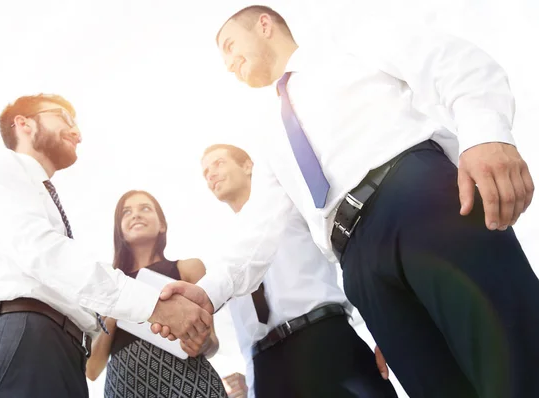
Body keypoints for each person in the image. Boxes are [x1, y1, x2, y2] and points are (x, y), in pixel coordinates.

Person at [156, 5, 539, 398]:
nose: (229, 63)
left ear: (265, 25)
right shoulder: (269, 138)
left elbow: (447, 60)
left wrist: (487, 134)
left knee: (513, 356)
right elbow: (257, 233)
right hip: (358, 265)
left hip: (418, 200)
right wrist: (208, 291)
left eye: (230, 45)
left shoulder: (346, 42)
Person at [0, 94, 212, 398]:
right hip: (21, 340)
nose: (77, 132)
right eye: (64, 117)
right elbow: (43, 252)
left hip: (60, 352)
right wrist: (153, 306)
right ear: (23, 123)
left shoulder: (41, 195)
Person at [201, 144, 396, 397]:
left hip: (325, 339)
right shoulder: (224, 256)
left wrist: (383, 329)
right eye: (205, 172)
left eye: (218, 163)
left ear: (248, 166)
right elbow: (245, 334)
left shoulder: (294, 203)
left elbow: (352, 257)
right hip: (268, 364)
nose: (211, 174)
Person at [86, 189, 227, 397]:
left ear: (161, 224)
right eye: (126, 212)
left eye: (145, 208)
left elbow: (212, 343)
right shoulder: (107, 285)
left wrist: (202, 343)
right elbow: (92, 369)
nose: (135, 215)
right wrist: (119, 308)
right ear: (120, 231)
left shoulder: (189, 268)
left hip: (187, 380)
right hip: (126, 387)